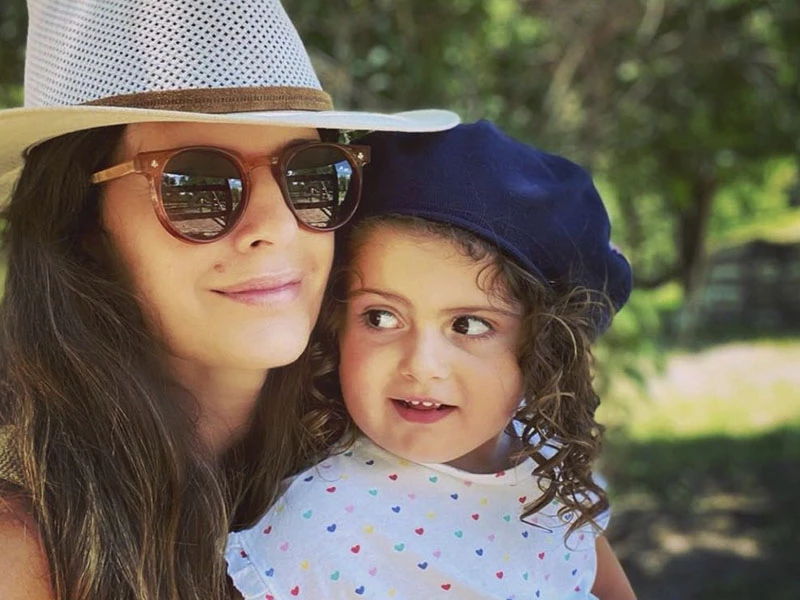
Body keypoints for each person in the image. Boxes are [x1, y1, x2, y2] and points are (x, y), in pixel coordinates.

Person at [0, 1, 459, 599]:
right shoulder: (22, 549)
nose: (277, 225)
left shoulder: (426, 440)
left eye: (310, 173)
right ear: (83, 224)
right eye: (199, 183)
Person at [226, 121, 638, 599]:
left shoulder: (547, 470)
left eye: (469, 325)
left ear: (543, 348)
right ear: (336, 326)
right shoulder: (317, 529)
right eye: (381, 317)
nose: (421, 365)